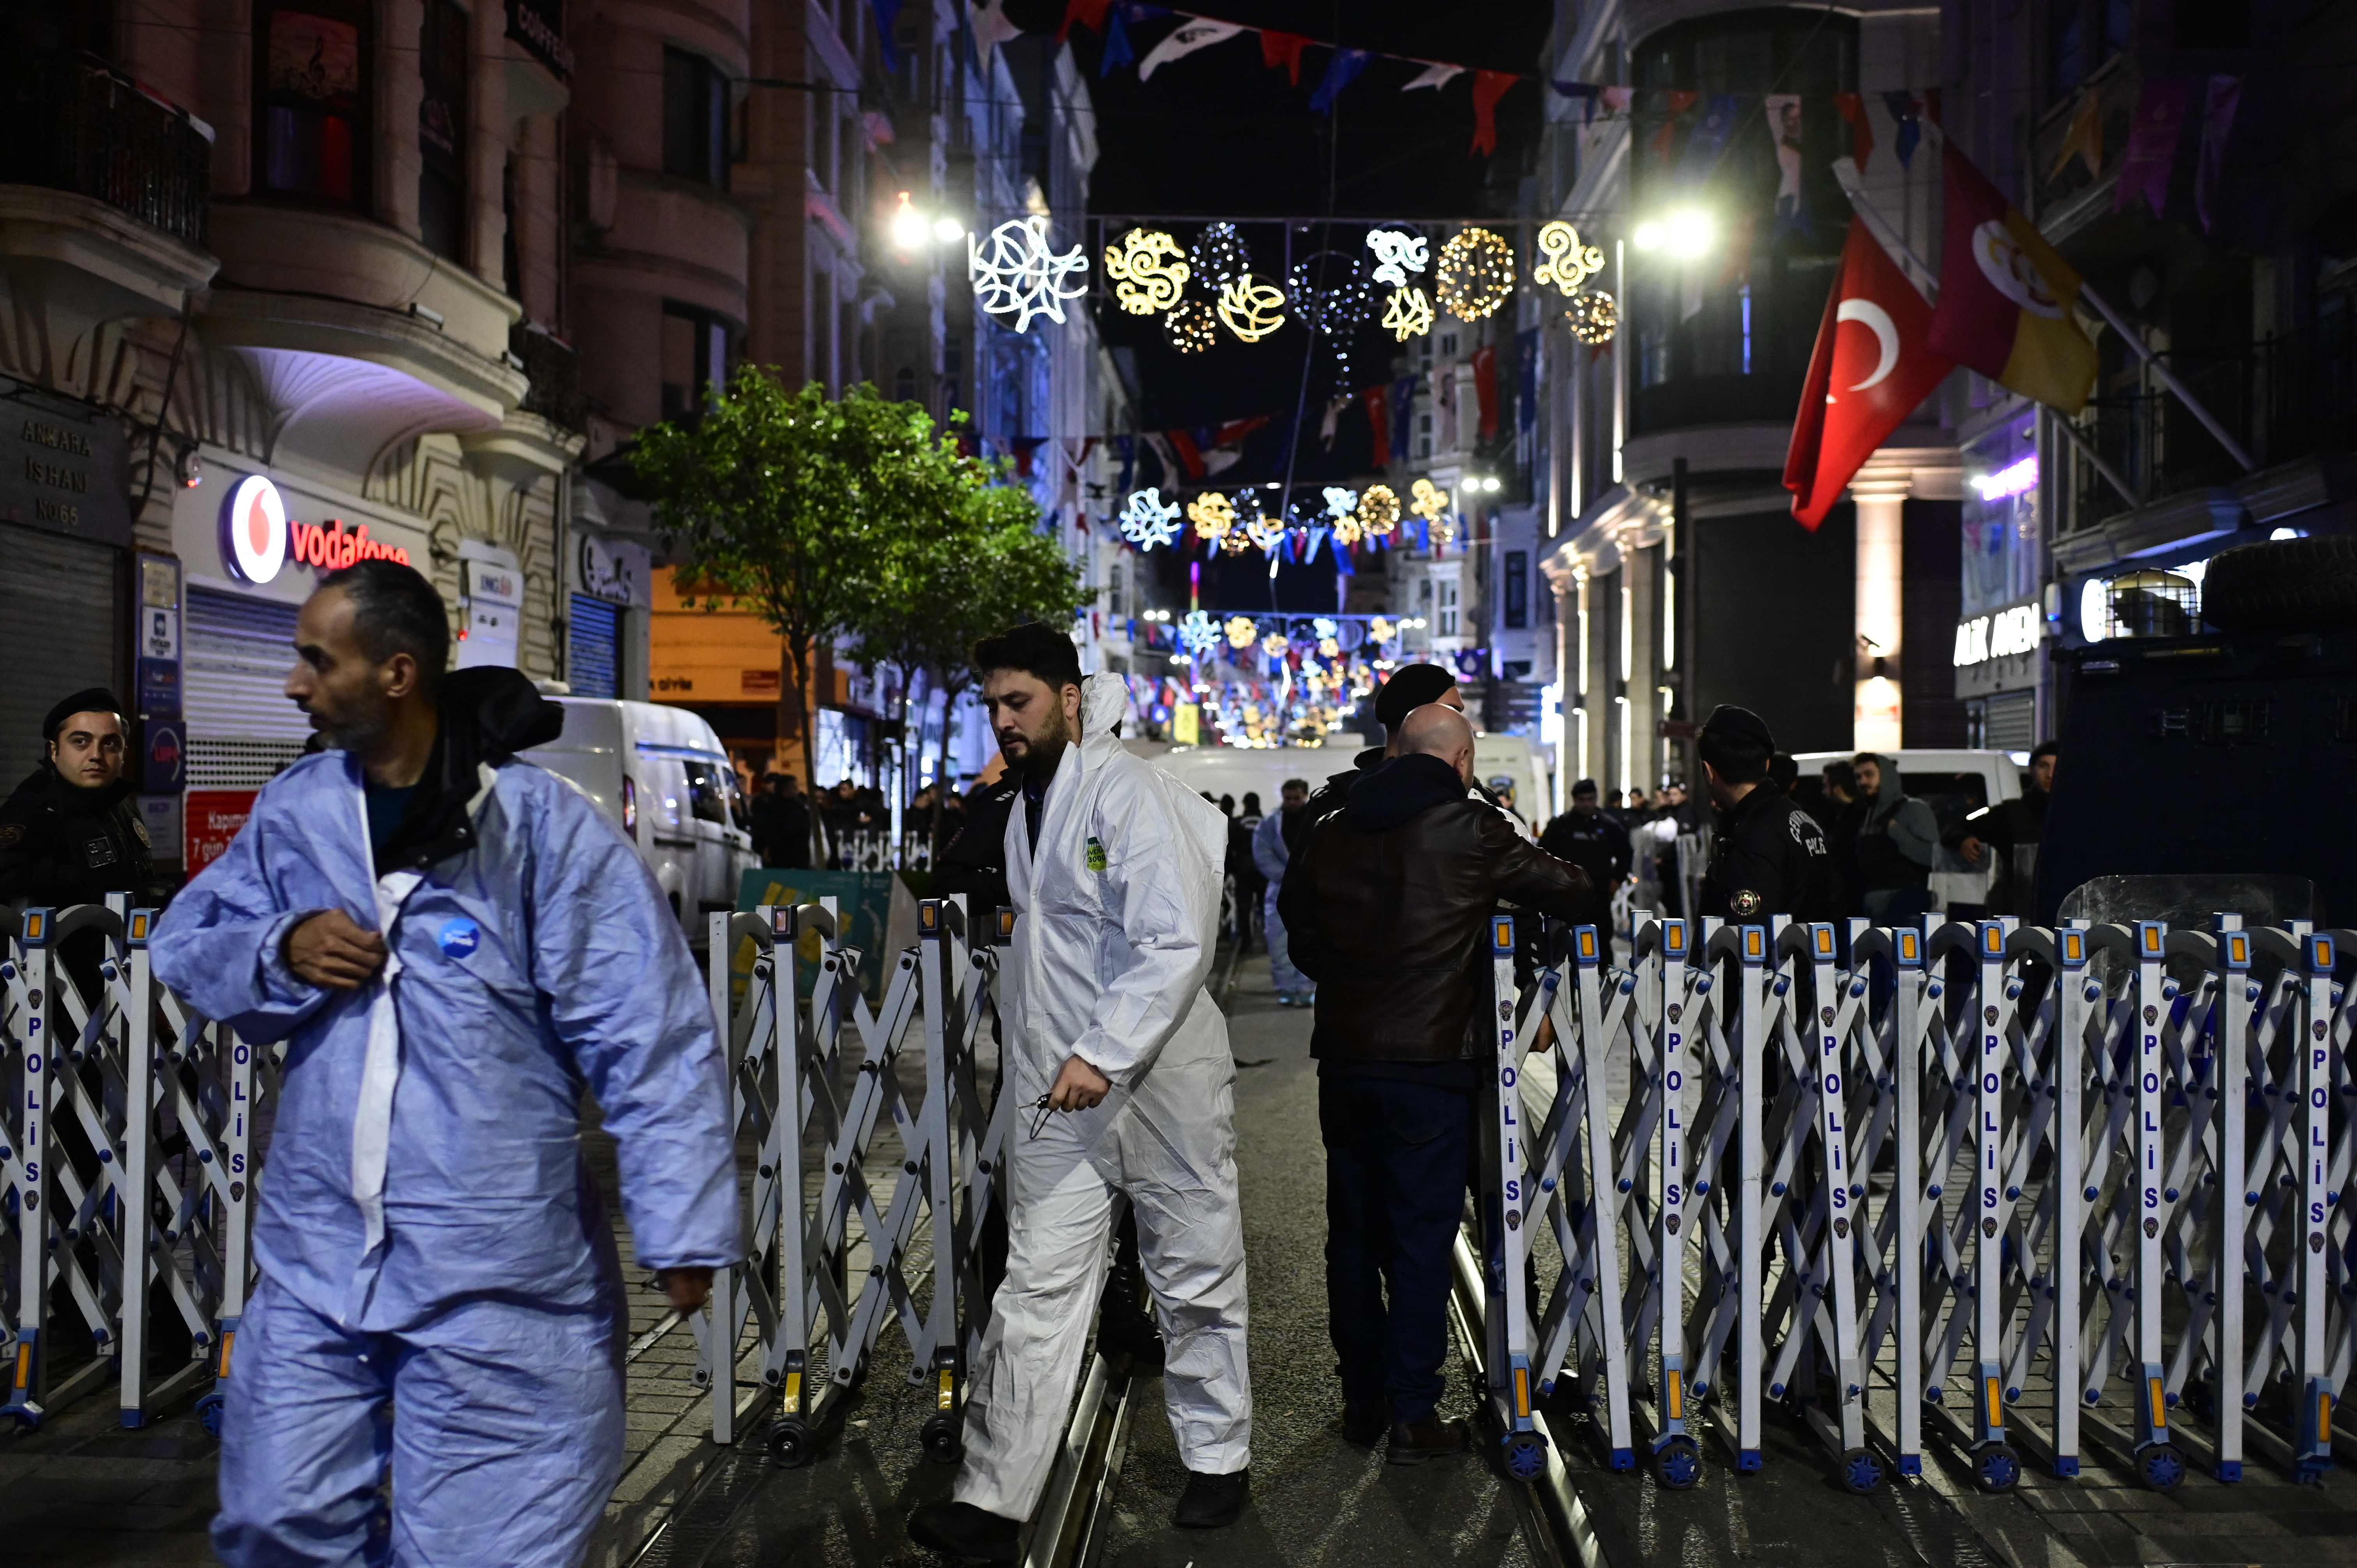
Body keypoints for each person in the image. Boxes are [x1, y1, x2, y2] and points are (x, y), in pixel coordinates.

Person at [147, 560, 738, 1568]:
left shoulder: (539, 831)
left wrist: (681, 1220)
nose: (294, 683)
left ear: (397, 673)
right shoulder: (298, 810)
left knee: (483, 1550)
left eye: (317, 660)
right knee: (277, 1524)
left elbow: (650, 1031)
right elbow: (191, 939)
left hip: (495, 1272)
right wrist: (280, 946)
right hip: (319, 1258)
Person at [909, 624, 1250, 1560]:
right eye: (992, 704)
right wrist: (1049, 1066)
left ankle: (1218, 1456)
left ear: (1069, 696)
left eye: (1017, 701)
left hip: (1158, 1082)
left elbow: (1176, 938)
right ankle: (992, 1497)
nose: (1003, 720)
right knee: (1036, 1284)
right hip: (1063, 1090)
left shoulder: (1129, 791)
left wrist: (1103, 1050)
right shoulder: (1030, 803)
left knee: (1194, 1271)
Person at [1281, 703, 1590, 1462]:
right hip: (1432, 1064)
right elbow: (1574, 889)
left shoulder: (1332, 828)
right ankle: (1413, 1412)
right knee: (1422, 1239)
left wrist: (1350, 981)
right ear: (1460, 762)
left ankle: (1362, 1400)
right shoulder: (1472, 829)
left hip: (1346, 1060)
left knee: (1353, 1235)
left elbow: (1299, 928)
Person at [0, 688, 171, 989]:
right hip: (56, 986)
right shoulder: (33, 809)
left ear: (124, 752)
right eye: (81, 741)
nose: (95, 755)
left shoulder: (121, 805)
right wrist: (84, 883)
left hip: (125, 975)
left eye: (110, 744)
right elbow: (9, 876)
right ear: (54, 751)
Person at [1695, 705, 1836, 925]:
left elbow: (1746, 933)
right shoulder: (1803, 820)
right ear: (1767, 764)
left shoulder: (1751, 834)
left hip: (1776, 948)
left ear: (1709, 772)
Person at [1947, 740, 2056, 917]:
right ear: (2032, 770)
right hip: (2016, 908)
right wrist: (1963, 840)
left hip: (2060, 905)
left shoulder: (2075, 814)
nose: (2050, 774)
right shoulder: (2012, 812)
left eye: (2056, 767)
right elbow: (1955, 829)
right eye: (2044, 766)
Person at [1539, 779, 1632, 962]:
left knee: (1601, 941)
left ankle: (1602, 976)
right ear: (1575, 800)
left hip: (1599, 894)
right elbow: (1543, 855)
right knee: (1567, 944)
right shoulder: (1561, 825)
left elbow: (1626, 854)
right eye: (1582, 800)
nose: (1587, 804)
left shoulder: (1608, 826)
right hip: (1568, 895)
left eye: (1590, 799)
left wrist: (1617, 880)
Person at [1845, 752, 1939, 923]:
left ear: (1886, 776)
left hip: (1904, 910)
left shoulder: (1913, 809)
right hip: (1870, 908)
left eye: (1869, 775)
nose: (1863, 782)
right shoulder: (1867, 814)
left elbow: (1933, 857)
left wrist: (1897, 833)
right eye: (1858, 777)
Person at [1251, 779, 1314, 1006]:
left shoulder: (1318, 820)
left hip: (1311, 890)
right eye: (1288, 799)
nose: (1292, 803)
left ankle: (1307, 989)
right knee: (1279, 943)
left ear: (1305, 796)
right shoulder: (1270, 824)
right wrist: (1286, 876)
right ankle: (1287, 988)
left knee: (1310, 942)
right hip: (1281, 889)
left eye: (1296, 798)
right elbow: (1262, 853)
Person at [749, 771, 811, 867]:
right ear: (785, 789)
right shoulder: (771, 808)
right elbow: (763, 831)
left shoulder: (799, 808)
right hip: (777, 858)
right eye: (794, 787)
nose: (796, 791)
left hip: (797, 859)